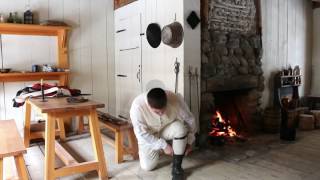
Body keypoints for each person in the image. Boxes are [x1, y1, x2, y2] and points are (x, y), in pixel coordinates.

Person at [130, 88, 196, 180]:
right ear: (148, 105)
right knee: (147, 167)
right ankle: (159, 148)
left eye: (163, 110)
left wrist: (189, 141)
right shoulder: (137, 106)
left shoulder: (175, 98)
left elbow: (189, 119)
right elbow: (141, 134)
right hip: (149, 135)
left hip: (166, 128)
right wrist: (164, 145)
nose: (161, 114)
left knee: (180, 128)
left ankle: (177, 168)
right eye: (157, 112)